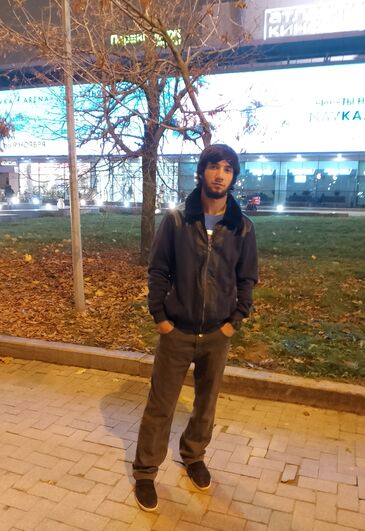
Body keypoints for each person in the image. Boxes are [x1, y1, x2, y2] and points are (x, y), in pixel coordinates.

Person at [132, 143, 258, 512]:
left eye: (228, 169)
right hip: (178, 331)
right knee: (161, 405)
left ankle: (193, 456)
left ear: (233, 177)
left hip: (217, 333)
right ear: (201, 172)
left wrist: (235, 321)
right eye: (214, 167)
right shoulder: (176, 221)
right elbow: (158, 271)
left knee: (206, 404)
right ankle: (145, 472)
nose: (220, 175)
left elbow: (247, 277)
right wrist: (161, 319)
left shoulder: (242, 227)